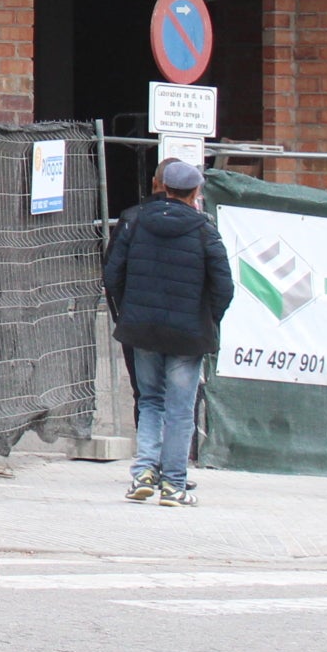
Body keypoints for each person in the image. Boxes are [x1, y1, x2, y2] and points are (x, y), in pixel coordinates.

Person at [102, 157, 233, 507]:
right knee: (180, 409)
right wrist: (209, 319)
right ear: (195, 192)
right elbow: (224, 287)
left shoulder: (135, 221)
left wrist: (129, 312)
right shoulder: (204, 230)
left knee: (150, 400)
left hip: (143, 328)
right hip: (188, 334)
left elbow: (113, 275)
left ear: (164, 187)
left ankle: (144, 471)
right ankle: (173, 484)